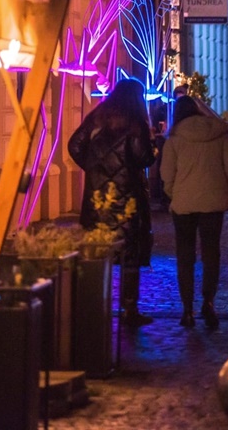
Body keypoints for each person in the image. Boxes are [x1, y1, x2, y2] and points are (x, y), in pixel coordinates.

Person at [67, 78, 157, 326]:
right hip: (127, 199)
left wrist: (94, 168)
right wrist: (154, 146)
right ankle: (129, 309)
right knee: (129, 255)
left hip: (98, 199)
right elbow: (143, 158)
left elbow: (74, 145)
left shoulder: (97, 118)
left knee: (97, 252)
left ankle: (95, 305)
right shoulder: (136, 123)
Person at [160, 96, 228, 329]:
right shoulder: (218, 135)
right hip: (213, 202)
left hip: (183, 204)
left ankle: (187, 309)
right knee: (211, 254)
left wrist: (175, 193)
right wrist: (224, 190)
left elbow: (166, 174)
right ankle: (208, 302)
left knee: (185, 256)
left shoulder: (174, 139)